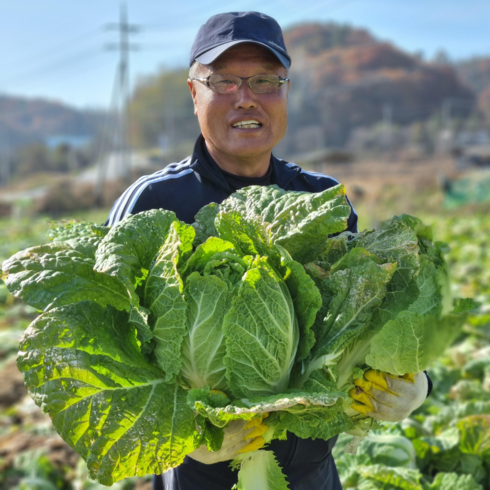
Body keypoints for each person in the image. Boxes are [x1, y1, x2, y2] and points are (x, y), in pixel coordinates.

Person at [106, 11, 432, 490]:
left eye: (265, 81)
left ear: (285, 93)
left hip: (313, 475)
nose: (246, 97)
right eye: (224, 81)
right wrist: (182, 438)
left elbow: (371, 317)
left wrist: (417, 381)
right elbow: (102, 355)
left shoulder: (322, 201)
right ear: (194, 92)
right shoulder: (152, 204)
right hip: (201, 477)